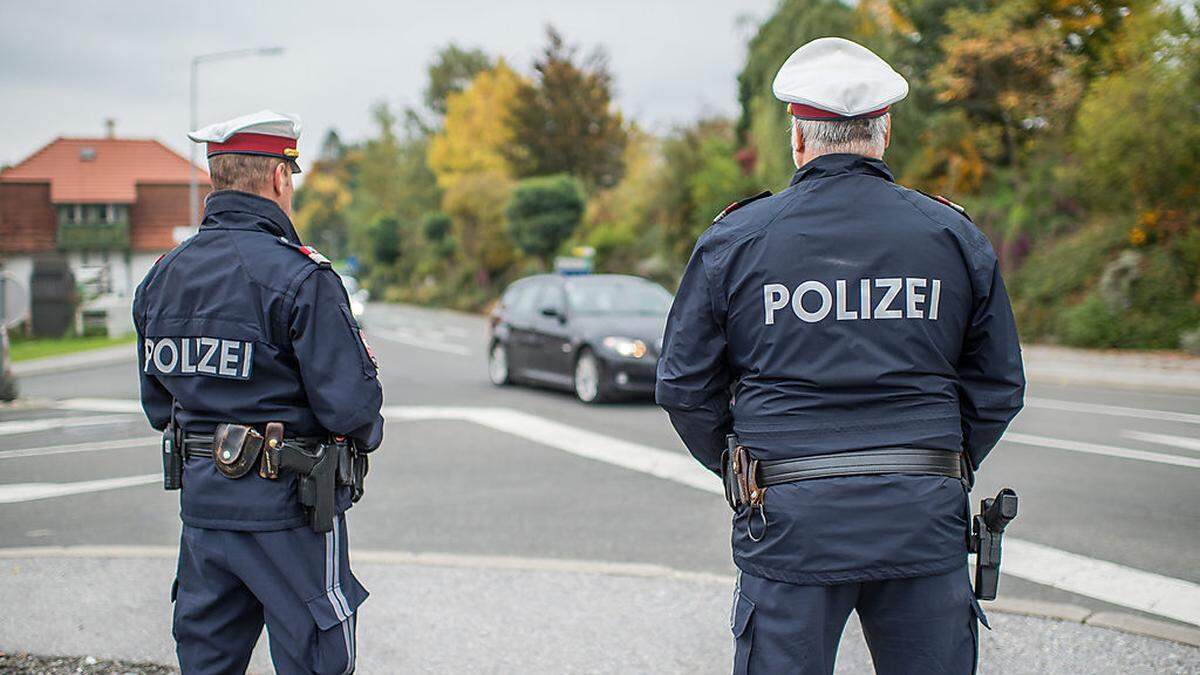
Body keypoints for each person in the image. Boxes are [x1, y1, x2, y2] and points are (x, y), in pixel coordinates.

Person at [656, 38, 1024, 674]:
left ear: (798, 137)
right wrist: (938, 464)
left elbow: (685, 386)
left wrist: (741, 467)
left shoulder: (737, 241)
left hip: (789, 522)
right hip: (921, 517)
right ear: (883, 133)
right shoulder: (952, 236)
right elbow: (998, 384)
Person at [134, 109, 384, 674]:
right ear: (279, 178)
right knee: (317, 658)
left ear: (216, 177)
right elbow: (352, 409)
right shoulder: (302, 277)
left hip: (203, 513)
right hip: (289, 514)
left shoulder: (162, 277)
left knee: (207, 659)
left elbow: (158, 406)